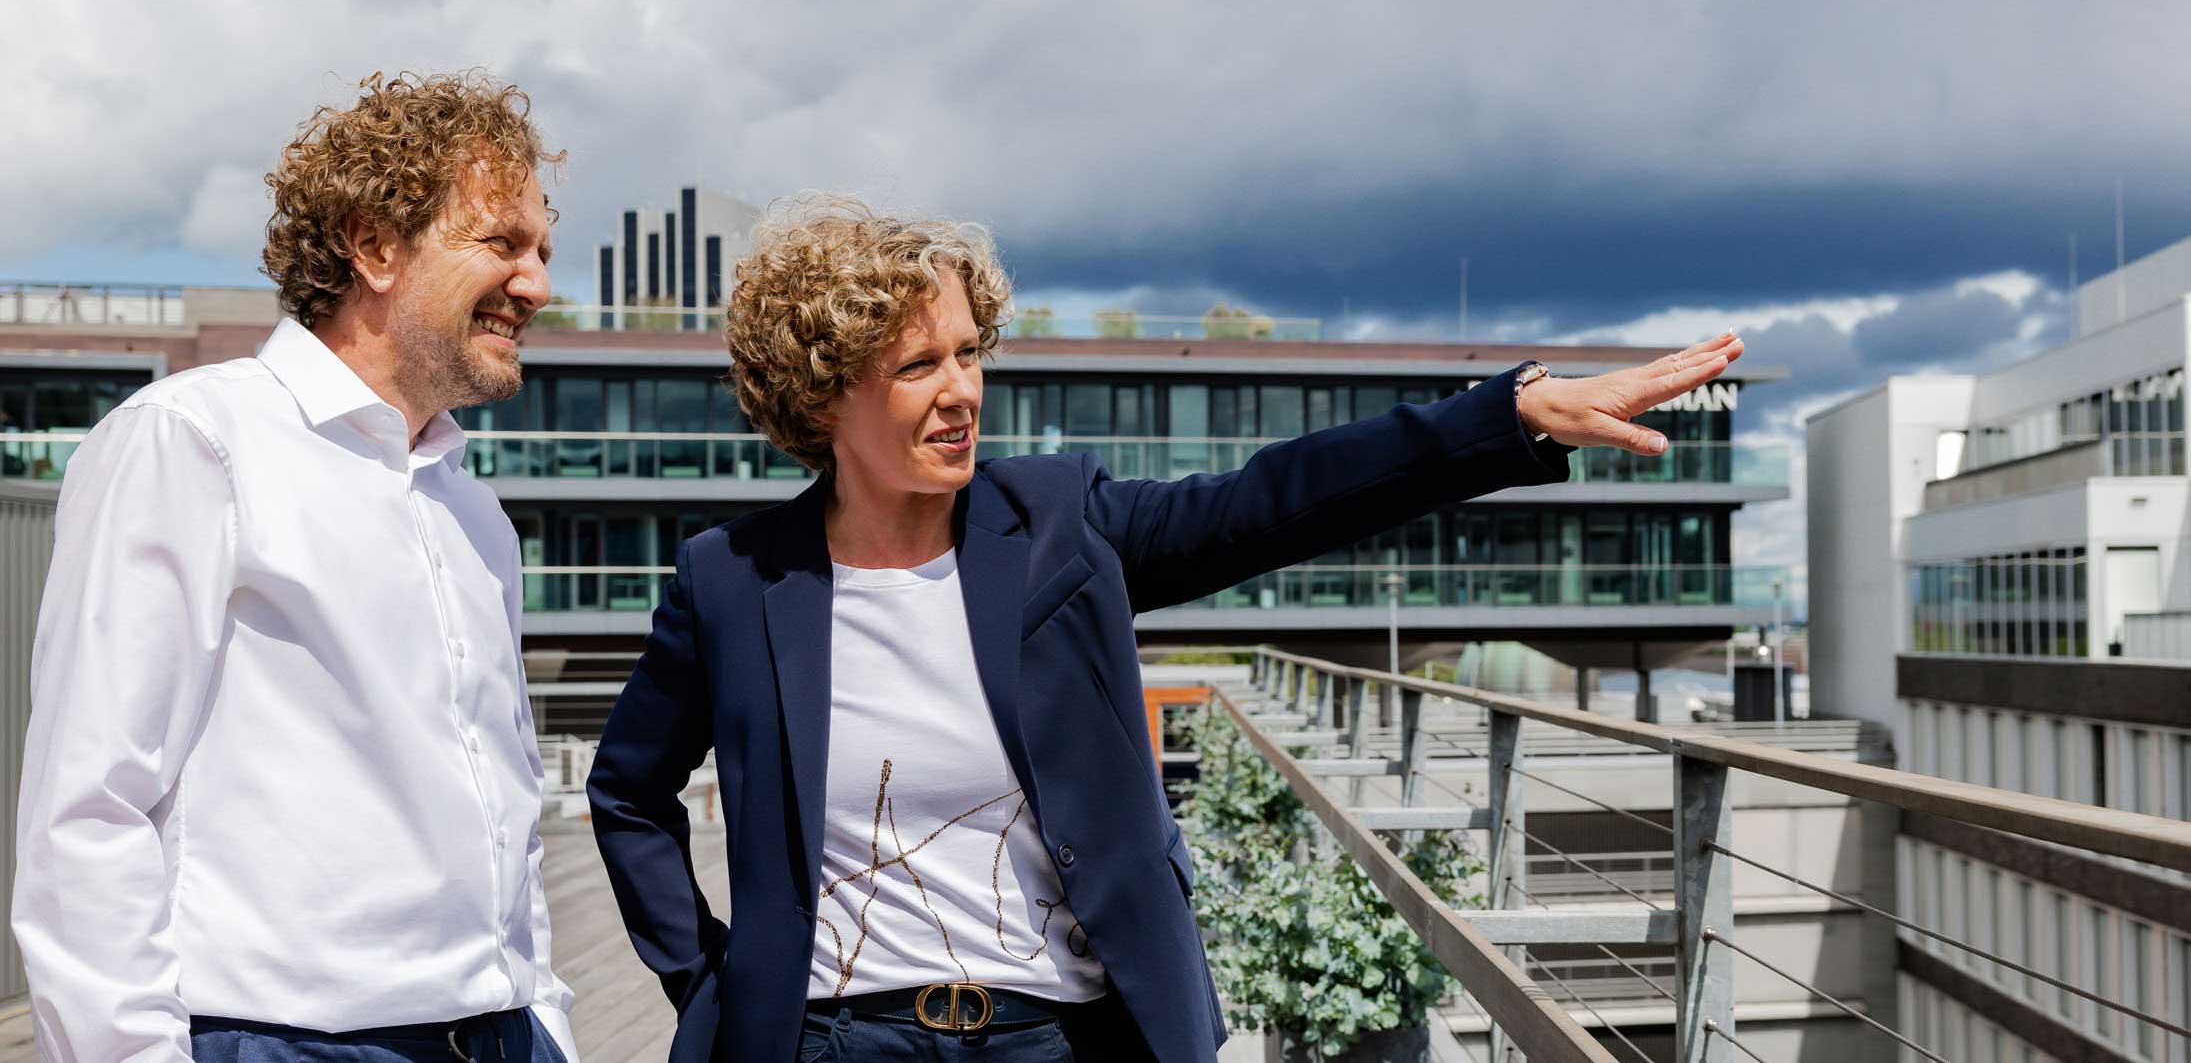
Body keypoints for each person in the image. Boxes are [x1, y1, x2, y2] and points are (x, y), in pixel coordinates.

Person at [587, 198, 1743, 1063]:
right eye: (918, 365)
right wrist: (709, 980)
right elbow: (628, 791)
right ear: (822, 396)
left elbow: (1274, 498)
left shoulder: (1060, 526)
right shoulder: (733, 581)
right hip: (834, 1042)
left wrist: (1506, 420)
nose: (962, 389)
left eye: (970, 351)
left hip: (1064, 1037)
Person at [12, 71, 580, 1063]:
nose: (535, 285)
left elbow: (507, 817)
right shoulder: (193, 441)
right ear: (375, 246)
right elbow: (90, 810)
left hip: (499, 1036)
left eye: (541, 252)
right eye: (502, 244)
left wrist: (550, 1026)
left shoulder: (477, 516)